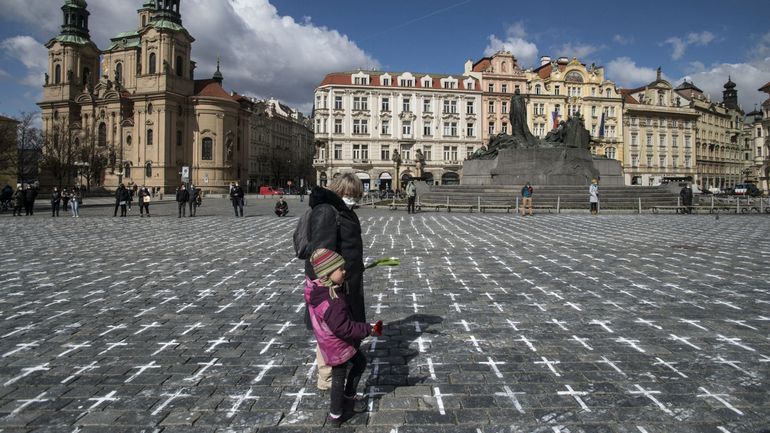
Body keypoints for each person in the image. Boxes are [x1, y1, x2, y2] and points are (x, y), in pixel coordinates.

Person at [305, 248, 382, 428]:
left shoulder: (324, 289)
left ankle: (349, 397)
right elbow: (344, 328)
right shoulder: (331, 301)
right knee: (338, 379)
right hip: (337, 345)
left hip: (336, 342)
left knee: (360, 363)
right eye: (340, 269)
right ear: (327, 274)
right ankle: (336, 415)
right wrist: (368, 329)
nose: (344, 271)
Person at [304, 173, 366, 391]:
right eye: (351, 194)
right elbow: (321, 253)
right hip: (333, 284)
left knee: (340, 326)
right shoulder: (327, 212)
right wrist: (330, 283)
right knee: (330, 328)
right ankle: (327, 378)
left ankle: (337, 366)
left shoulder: (343, 211)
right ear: (341, 192)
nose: (355, 199)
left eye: (357, 195)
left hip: (346, 279)